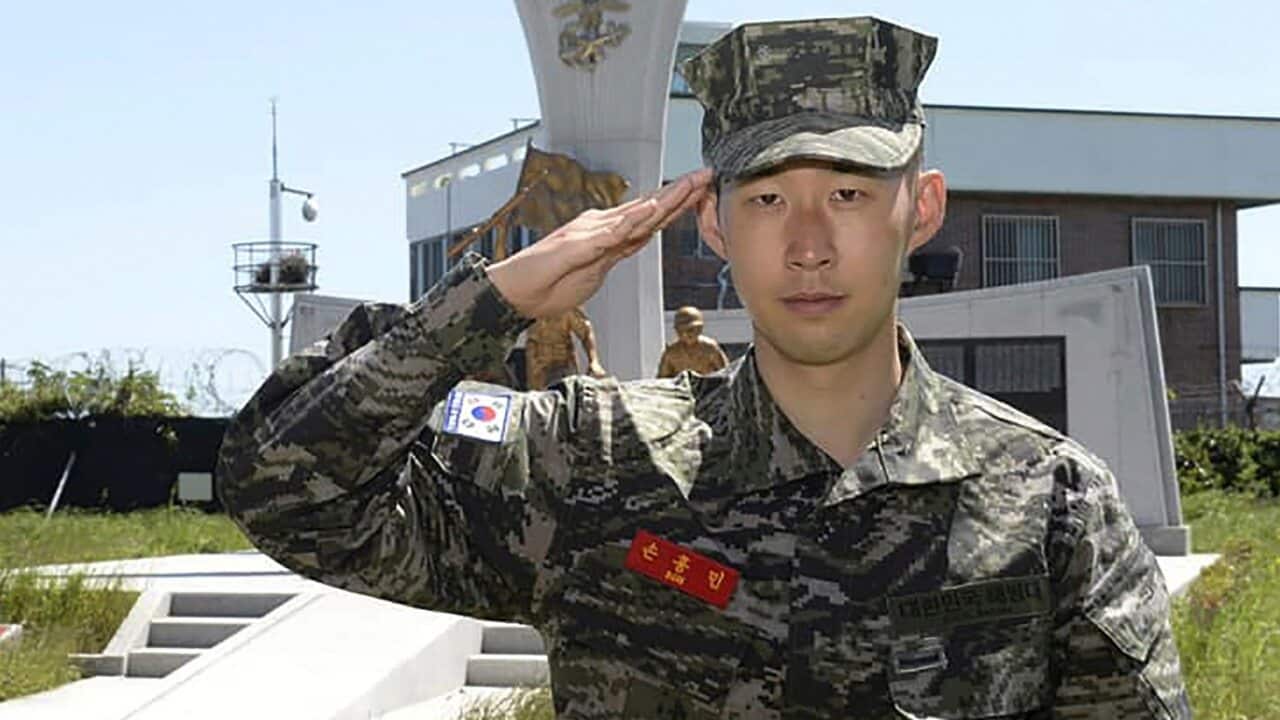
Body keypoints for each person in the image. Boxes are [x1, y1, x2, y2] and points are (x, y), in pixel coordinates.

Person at [217, 15, 1190, 719]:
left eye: (849, 195)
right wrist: (493, 302)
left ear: (921, 208)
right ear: (713, 224)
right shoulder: (591, 463)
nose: (807, 245)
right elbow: (287, 491)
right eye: (766, 200)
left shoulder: (1050, 500)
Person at [525, 305, 608, 390]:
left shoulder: (567, 304)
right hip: (537, 364)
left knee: (568, 392)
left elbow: (586, 332)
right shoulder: (529, 303)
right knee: (538, 395)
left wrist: (593, 361)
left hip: (562, 361)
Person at [657, 306, 730, 378]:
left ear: (699, 329)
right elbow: (662, 379)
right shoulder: (671, 352)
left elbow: (726, 373)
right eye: (680, 331)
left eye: (690, 330)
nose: (685, 334)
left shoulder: (710, 348)